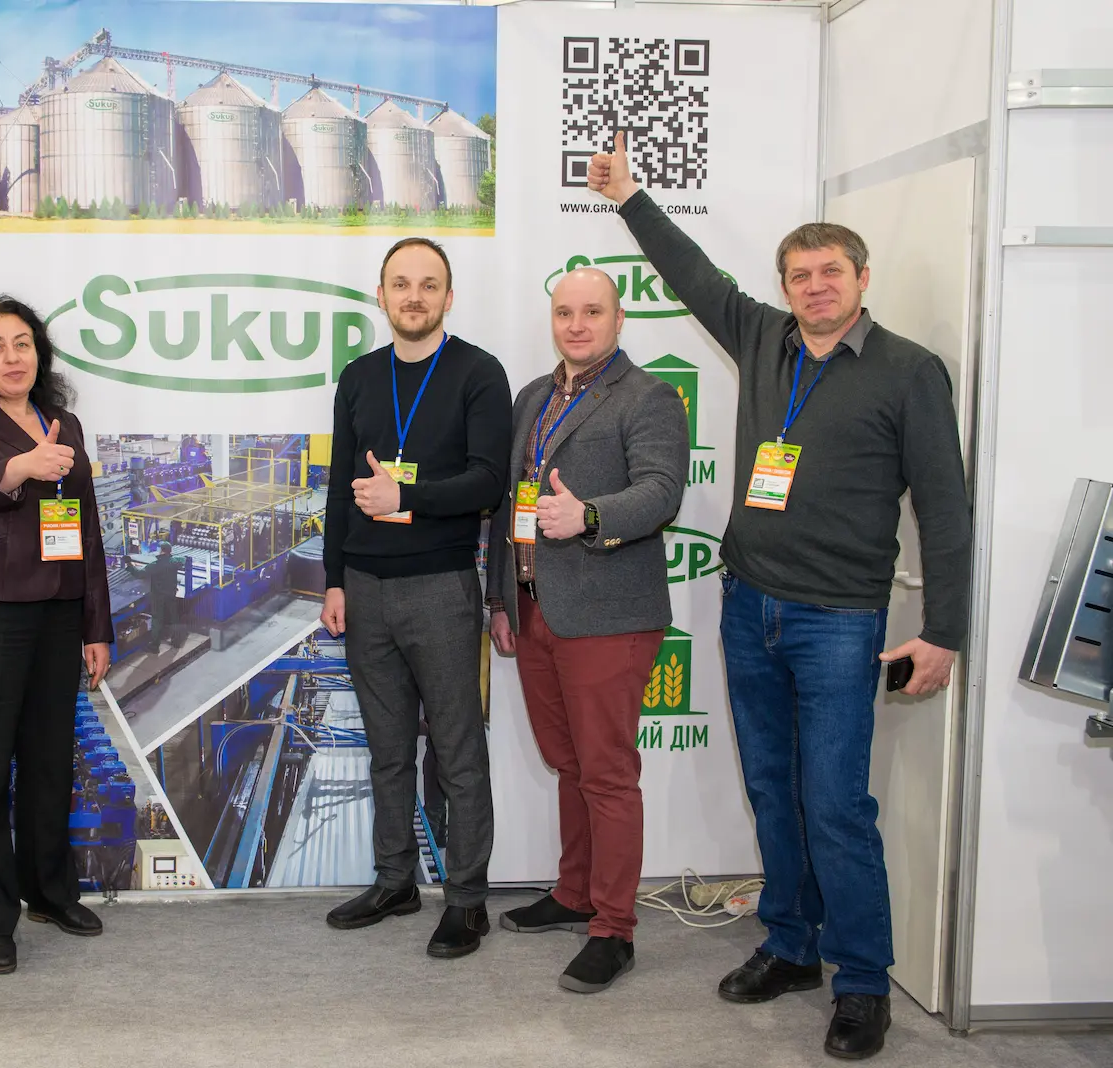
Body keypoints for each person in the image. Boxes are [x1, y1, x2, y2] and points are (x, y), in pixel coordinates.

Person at [589, 134, 972, 1057]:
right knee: (771, 788)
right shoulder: (763, 338)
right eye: (800, 275)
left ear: (862, 279)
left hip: (839, 620)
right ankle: (792, 945)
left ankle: (863, 980)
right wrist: (630, 196)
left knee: (835, 804)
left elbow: (946, 509)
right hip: (749, 603)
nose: (815, 287)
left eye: (831, 272)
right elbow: (691, 273)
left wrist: (945, 629)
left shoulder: (909, 371)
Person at [486, 267, 689, 993]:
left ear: (619, 318)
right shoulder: (532, 398)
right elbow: (509, 505)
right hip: (535, 608)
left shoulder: (650, 396)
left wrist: (589, 515)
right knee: (568, 763)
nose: (577, 325)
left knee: (606, 774)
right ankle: (575, 894)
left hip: (608, 614)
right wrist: (501, 598)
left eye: (592, 312)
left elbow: (661, 492)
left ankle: (614, 929)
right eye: (565, 312)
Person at [321, 237, 513, 958]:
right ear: (381, 296)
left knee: (458, 752)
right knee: (387, 749)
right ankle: (395, 879)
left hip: (440, 586)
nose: (413, 296)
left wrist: (408, 496)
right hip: (364, 588)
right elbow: (339, 487)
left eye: (428, 284)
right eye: (400, 283)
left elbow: (488, 481)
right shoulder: (359, 377)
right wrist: (333, 579)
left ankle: (466, 900)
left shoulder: (478, 373)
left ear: (448, 297)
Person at [0, 296, 114, 976]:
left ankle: (50, 892)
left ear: (40, 354)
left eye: (23, 344)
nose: (12, 357)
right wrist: (19, 467)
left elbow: (85, 523)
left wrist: (96, 625)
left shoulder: (66, 422)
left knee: (49, 761)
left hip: (58, 611)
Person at [136, 541, 184, 651]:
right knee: (174, 617)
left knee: (157, 619)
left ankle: (154, 646)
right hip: (171, 594)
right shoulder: (174, 562)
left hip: (158, 596)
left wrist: (129, 565)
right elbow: (183, 560)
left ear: (161, 550)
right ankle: (176, 641)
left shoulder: (155, 565)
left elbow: (139, 574)